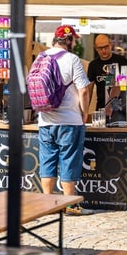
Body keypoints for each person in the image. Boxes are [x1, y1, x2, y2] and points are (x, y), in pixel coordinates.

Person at [35, 25, 91, 215]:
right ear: (67, 40)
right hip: (69, 120)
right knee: (68, 160)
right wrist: (85, 112)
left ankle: (47, 203)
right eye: (73, 39)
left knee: (47, 160)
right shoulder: (72, 59)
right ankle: (70, 204)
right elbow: (83, 89)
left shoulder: (41, 57)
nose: (74, 42)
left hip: (45, 119)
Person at [87, 34, 127, 123]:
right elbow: (89, 90)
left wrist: (115, 79)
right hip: (101, 110)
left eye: (106, 47)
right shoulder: (93, 65)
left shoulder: (121, 60)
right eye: (100, 48)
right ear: (96, 48)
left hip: (119, 109)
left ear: (110, 44)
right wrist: (84, 110)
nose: (104, 50)